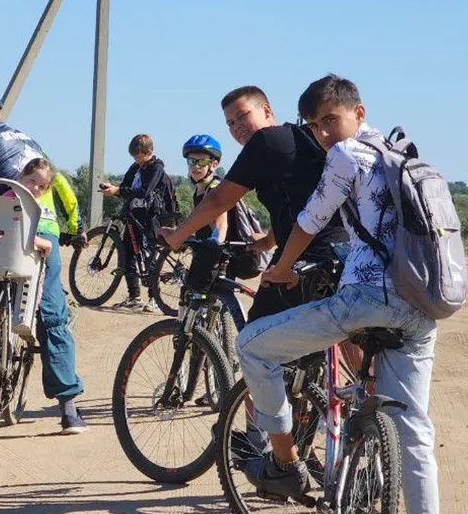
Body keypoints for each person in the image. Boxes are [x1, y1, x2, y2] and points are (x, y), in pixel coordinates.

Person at [241, 75, 446, 514]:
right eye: (315, 125)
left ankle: (284, 464)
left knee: (253, 346)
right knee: (415, 432)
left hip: (366, 298)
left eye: (331, 119)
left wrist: (281, 269)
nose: (325, 133)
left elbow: (310, 221)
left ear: (358, 111)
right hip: (421, 305)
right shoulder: (401, 153)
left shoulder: (347, 155)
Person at [0, 86, 87, 434]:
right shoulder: (33, 142)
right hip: (45, 228)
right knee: (51, 313)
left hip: (4, 224)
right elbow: (60, 184)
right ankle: (69, 410)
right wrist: (75, 226)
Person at [159, 85, 347, 324]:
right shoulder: (299, 136)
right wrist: (269, 240)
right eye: (229, 123)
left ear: (266, 110)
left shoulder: (264, 141)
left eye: (242, 115)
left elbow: (219, 199)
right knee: (344, 337)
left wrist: (177, 235)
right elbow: (299, 200)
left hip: (306, 255)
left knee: (254, 341)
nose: (236, 127)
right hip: (343, 252)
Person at [181, 134, 245, 331]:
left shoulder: (214, 188)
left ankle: (192, 339)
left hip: (218, 256)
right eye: (192, 160)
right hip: (212, 253)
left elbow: (221, 223)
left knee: (195, 296)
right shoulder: (201, 189)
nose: (195, 166)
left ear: (214, 164)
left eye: (201, 161)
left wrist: (214, 246)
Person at [99, 134, 168, 312]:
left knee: (149, 255)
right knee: (128, 254)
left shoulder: (156, 167)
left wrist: (119, 190)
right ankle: (133, 297)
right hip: (133, 215)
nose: (136, 159)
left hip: (150, 216)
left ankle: (154, 299)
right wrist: (112, 190)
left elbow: (145, 191)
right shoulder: (135, 168)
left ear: (149, 152)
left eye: (139, 156)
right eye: (134, 156)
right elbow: (124, 188)